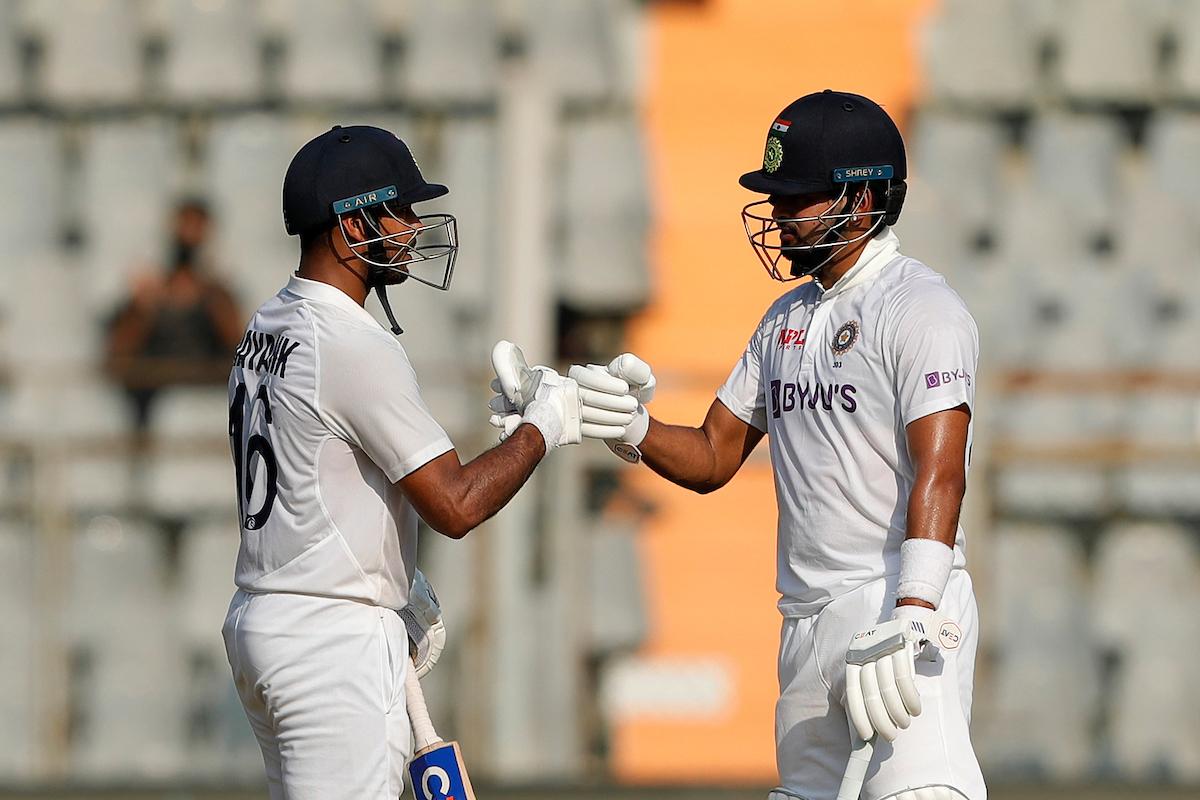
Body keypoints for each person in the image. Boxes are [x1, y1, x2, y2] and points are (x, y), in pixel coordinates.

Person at [495, 91, 986, 800]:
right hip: (805, 625)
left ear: (864, 198)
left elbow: (941, 475)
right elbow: (713, 455)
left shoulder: (922, 308)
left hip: (896, 607)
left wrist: (915, 614)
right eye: (776, 197)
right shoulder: (785, 318)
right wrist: (623, 424)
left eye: (798, 197)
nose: (780, 216)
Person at [221, 124, 635, 800]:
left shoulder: (268, 323)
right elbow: (456, 505)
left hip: (267, 621)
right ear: (351, 223)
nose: (413, 228)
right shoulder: (353, 342)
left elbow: (324, 474)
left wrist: (389, 583)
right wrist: (543, 426)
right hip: (331, 642)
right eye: (399, 209)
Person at [104, 198, 244, 429]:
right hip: (153, 401)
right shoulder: (149, 291)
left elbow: (238, 348)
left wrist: (210, 296)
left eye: (197, 228)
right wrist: (145, 306)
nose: (189, 236)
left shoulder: (220, 294)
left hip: (209, 400)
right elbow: (118, 356)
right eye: (184, 227)